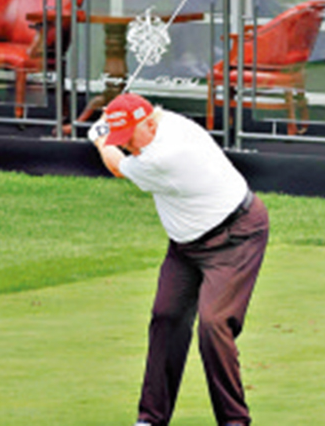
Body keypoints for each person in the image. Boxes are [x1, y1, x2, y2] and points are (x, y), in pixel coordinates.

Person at [89, 93, 268, 426]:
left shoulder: (165, 156)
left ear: (149, 124)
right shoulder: (161, 122)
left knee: (214, 326)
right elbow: (127, 138)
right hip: (185, 246)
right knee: (166, 316)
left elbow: (115, 166)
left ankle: (234, 421)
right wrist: (113, 125)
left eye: (129, 137)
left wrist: (99, 138)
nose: (126, 145)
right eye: (120, 138)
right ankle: (150, 419)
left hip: (235, 238)